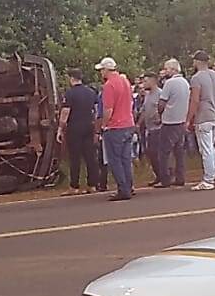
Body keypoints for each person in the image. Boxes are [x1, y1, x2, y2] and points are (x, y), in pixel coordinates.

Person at [56, 68, 101, 195]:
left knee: (75, 158)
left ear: (71, 78)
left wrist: (60, 128)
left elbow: (65, 112)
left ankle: (74, 186)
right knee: (90, 156)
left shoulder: (70, 93)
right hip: (89, 126)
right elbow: (96, 110)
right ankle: (92, 184)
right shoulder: (91, 92)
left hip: (75, 127)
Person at [96, 56, 136, 201]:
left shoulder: (109, 85)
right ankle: (129, 186)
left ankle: (123, 189)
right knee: (126, 159)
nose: (101, 73)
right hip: (128, 123)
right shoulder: (125, 81)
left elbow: (108, 109)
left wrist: (103, 124)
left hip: (115, 127)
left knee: (115, 160)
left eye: (102, 70)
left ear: (106, 70)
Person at [187, 50, 215, 190]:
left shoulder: (196, 78)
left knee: (206, 149)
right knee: (210, 146)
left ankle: (208, 179)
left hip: (203, 117)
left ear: (197, 62)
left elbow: (195, 100)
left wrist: (189, 118)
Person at [154, 59, 189, 188]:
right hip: (181, 119)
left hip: (170, 120)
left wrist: (159, 114)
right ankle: (180, 176)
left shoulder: (170, 83)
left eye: (166, 69)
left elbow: (162, 102)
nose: (165, 71)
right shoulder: (185, 82)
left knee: (164, 151)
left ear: (173, 69)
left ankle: (165, 178)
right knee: (179, 151)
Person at [137, 73, 162, 175]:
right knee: (151, 153)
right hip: (149, 128)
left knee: (158, 153)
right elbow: (144, 110)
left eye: (146, 81)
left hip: (158, 128)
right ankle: (158, 175)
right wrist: (138, 124)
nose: (144, 84)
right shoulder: (147, 95)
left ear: (153, 81)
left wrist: (160, 118)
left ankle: (165, 175)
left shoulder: (160, 94)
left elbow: (165, 108)